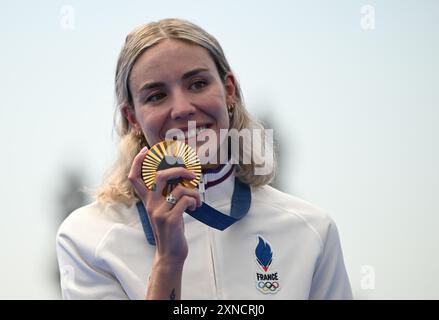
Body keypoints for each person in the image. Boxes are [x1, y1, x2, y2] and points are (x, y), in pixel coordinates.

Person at [56, 18, 353, 300]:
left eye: (197, 84)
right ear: (132, 117)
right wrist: (168, 261)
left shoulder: (311, 230)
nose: (182, 108)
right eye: (157, 96)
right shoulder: (87, 237)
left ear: (228, 91)